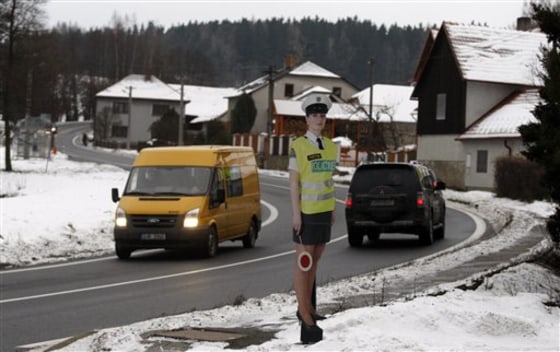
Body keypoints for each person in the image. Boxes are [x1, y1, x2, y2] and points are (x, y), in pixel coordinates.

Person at [288, 93, 337, 344]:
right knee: (304, 263)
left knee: (315, 263)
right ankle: (305, 313)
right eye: (314, 115)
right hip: (306, 214)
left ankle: (308, 307)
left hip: (323, 213)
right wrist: (296, 214)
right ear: (307, 119)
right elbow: (294, 183)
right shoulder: (298, 146)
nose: (319, 119)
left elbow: (329, 179)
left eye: (322, 115)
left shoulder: (331, 146)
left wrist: (333, 209)